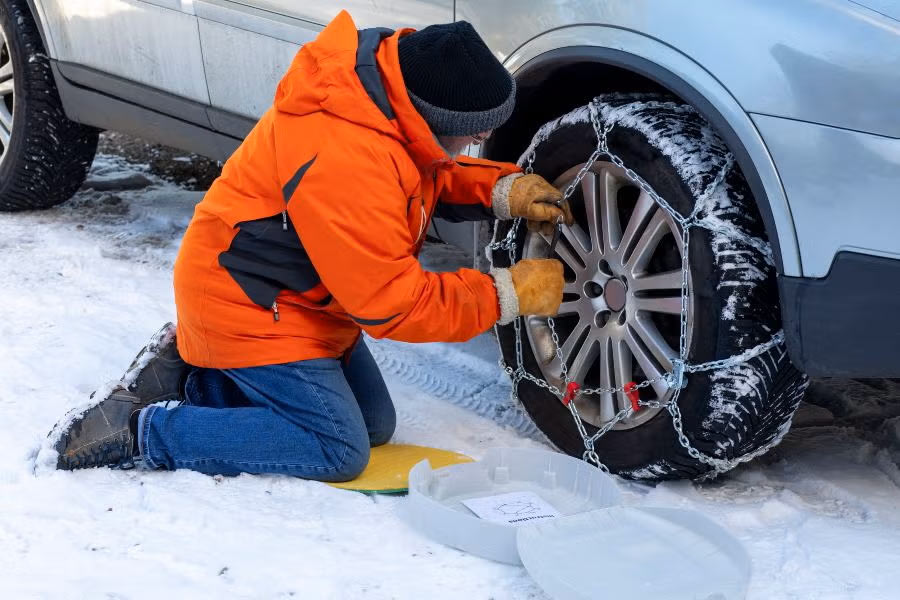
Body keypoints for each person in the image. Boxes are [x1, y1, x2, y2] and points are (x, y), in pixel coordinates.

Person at [51, 11, 572, 480]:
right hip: (249, 306)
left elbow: (424, 169)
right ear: (432, 119)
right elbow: (393, 305)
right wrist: (507, 293)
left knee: (374, 424)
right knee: (338, 448)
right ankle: (142, 429)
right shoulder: (347, 158)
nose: (474, 147)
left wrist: (501, 190)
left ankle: (196, 377)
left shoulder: (381, 97)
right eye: (470, 137)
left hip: (302, 301)